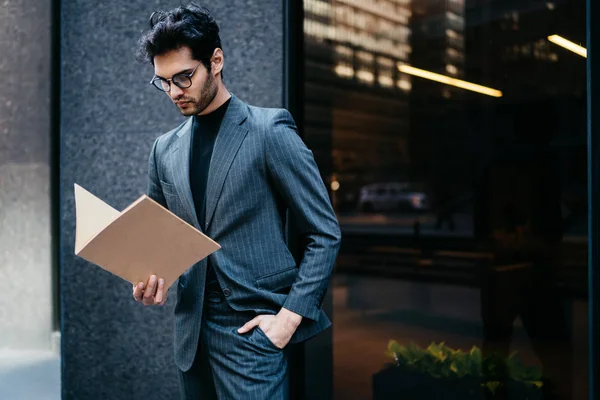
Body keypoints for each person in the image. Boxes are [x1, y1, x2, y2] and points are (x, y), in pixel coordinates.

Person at [130, 3, 341, 400]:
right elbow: (158, 239)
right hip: (190, 338)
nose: (174, 92)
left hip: (252, 336)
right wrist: (148, 278)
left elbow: (324, 233)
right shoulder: (163, 149)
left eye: (184, 77)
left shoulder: (269, 130)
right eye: (164, 82)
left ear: (217, 60)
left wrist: (289, 318)